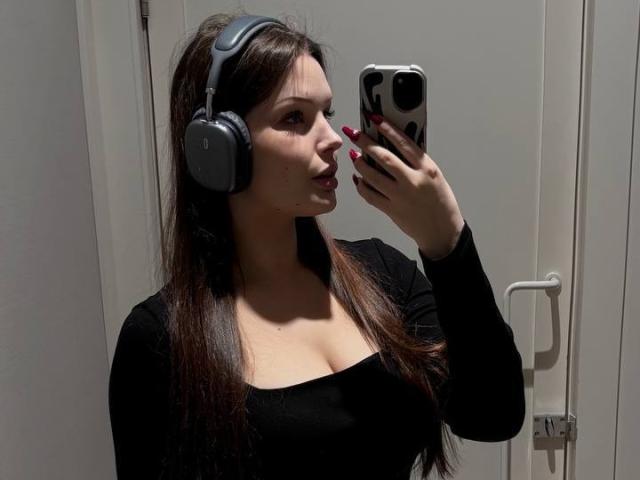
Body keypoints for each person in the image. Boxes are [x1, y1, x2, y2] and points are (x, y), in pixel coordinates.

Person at [108, 11, 525, 480]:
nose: (330, 139)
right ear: (220, 145)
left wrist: (445, 242)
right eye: (294, 118)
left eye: (326, 114)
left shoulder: (383, 275)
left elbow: (493, 414)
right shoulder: (161, 340)